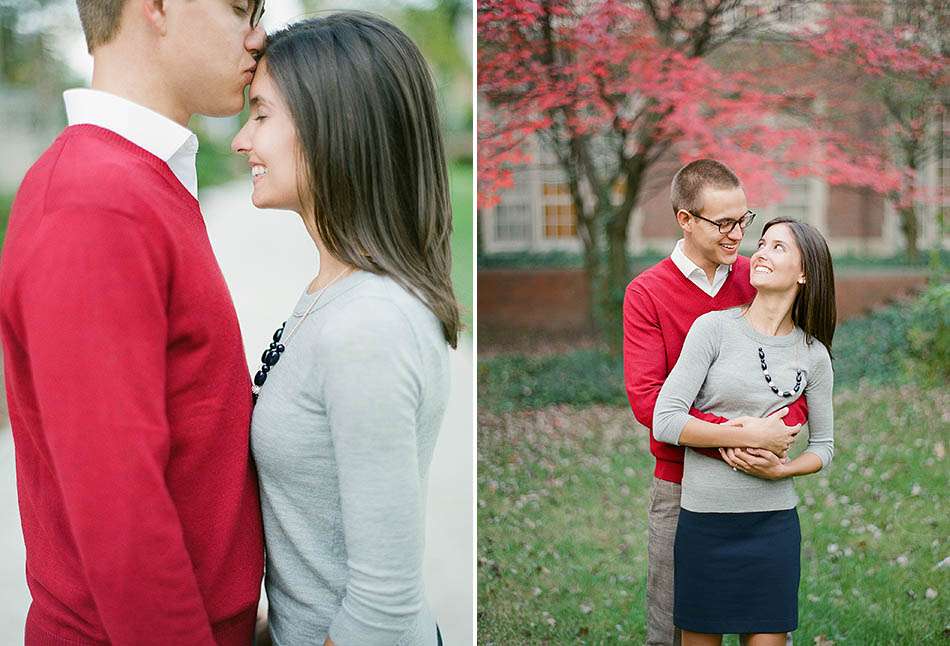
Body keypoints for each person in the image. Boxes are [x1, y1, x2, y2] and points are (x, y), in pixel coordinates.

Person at [0, 1, 267, 643]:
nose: (259, 36)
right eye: (240, 9)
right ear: (156, 7)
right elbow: (121, 517)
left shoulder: (135, 181)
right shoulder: (94, 202)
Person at [230, 13, 460, 646]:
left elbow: (382, 611)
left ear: (335, 125)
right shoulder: (334, 295)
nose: (242, 140)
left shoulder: (370, 325)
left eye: (263, 114)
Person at [623, 159, 808, 646]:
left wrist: (779, 432)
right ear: (685, 219)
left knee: (763, 624)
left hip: (759, 484)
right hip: (680, 486)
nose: (737, 235)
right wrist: (739, 438)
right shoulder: (647, 293)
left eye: (743, 220)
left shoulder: (758, 276)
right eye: (723, 223)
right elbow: (649, 402)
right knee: (672, 629)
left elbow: (798, 373)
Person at [652, 217, 835, 644]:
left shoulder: (814, 356)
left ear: (805, 272)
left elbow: (824, 447)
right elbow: (667, 419)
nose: (761, 254)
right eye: (763, 244)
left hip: (772, 529)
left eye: (778, 248)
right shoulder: (713, 329)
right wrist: (746, 435)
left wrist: (782, 472)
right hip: (705, 525)